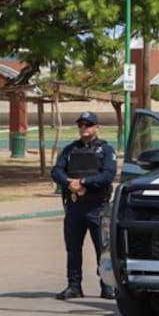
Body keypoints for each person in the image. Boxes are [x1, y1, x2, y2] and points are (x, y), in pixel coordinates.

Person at [51, 111, 117, 300]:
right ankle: (74, 286)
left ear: (97, 127)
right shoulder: (70, 150)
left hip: (97, 206)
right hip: (75, 206)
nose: (83, 128)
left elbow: (108, 175)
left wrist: (84, 182)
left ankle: (107, 286)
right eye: (81, 125)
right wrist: (69, 183)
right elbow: (56, 171)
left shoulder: (106, 150)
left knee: (102, 249)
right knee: (73, 249)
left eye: (88, 125)